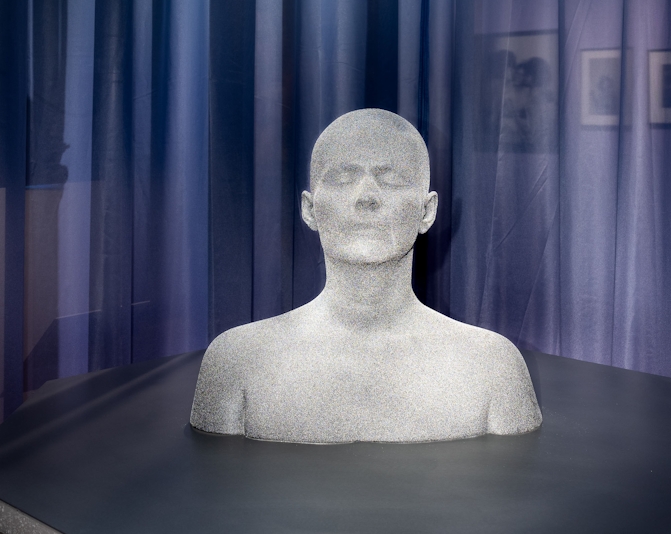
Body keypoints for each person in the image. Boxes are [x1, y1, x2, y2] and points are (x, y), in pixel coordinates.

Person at [190, 109, 542, 443]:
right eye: (343, 178)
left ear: (427, 211)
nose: (367, 197)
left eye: (391, 179)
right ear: (310, 210)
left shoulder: (492, 369)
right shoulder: (238, 362)